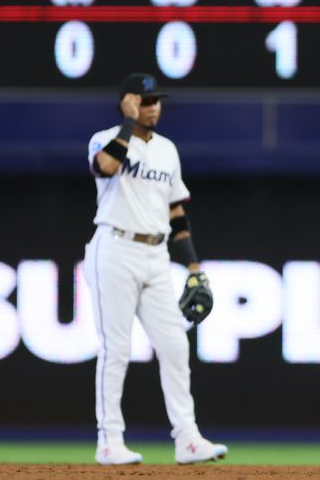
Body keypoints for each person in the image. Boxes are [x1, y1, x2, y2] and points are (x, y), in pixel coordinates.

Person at [83, 73, 227, 465]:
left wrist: (194, 265)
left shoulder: (167, 150)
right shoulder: (106, 137)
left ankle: (187, 439)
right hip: (114, 248)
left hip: (156, 253)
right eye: (146, 100)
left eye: (156, 100)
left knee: (176, 345)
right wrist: (128, 122)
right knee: (117, 348)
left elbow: (176, 212)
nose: (154, 106)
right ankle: (109, 441)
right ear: (128, 102)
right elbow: (107, 166)